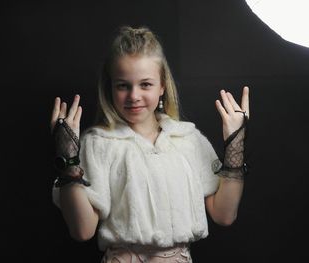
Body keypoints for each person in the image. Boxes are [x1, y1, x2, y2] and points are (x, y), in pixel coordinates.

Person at [50, 26, 250, 263]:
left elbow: (224, 215)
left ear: (162, 85)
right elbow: (82, 231)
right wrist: (68, 159)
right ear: (111, 87)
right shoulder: (98, 144)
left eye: (145, 84)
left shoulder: (188, 139)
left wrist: (235, 142)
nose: (134, 95)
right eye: (123, 85)